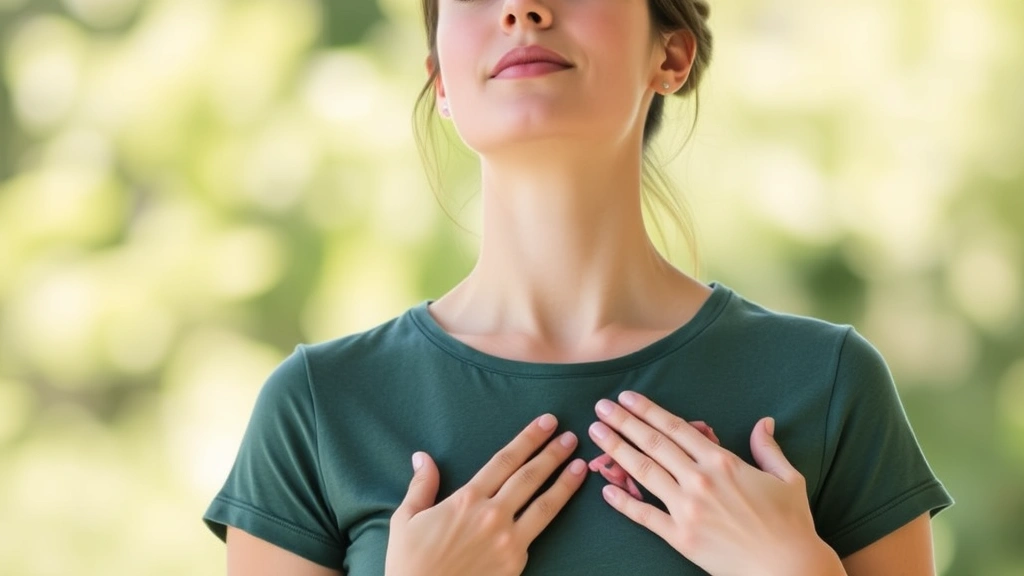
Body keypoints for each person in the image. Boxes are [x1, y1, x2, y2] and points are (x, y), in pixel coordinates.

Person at [202, 0, 955, 573]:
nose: (524, 9)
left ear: (673, 55)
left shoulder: (827, 386)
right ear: (439, 78)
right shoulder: (317, 408)